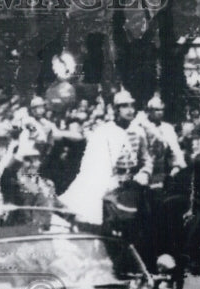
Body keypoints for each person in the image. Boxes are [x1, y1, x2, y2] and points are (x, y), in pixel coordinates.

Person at [59, 89, 152, 228]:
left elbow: (146, 159)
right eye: (124, 106)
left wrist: (144, 173)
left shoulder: (138, 131)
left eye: (132, 106)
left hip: (133, 184)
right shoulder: (105, 131)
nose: (130, 110)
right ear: (115, 109)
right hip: (110, 185)